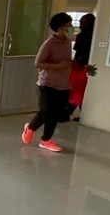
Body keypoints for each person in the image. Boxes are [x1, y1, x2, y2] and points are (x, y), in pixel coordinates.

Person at [22, 12, 73, 153]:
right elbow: (37, 63)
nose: (71, 27)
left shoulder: (68, 42)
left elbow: (67, 61)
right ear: (60, 27)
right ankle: (30, 128)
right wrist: (58, 66)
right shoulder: (49, 44)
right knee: (45, 112)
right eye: (68, 25)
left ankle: (46, 140)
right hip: (47, 84)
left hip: (64, 84)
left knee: (55, 114)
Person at [68, 13, 95, 121]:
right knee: (83, 90)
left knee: (77, 90)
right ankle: (82, 115)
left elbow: (78, 51)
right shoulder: (95, 36)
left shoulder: (82, 36)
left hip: (81, 66)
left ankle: (68, 112)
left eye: (83, 23)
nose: (80, 25)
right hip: (88, 66)